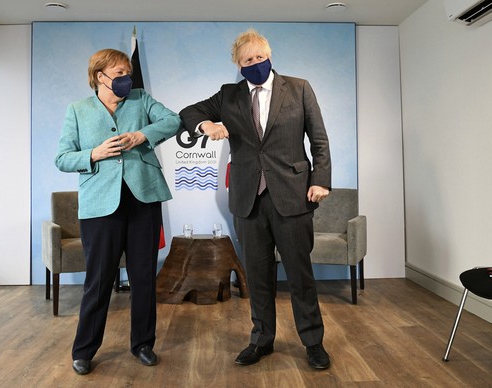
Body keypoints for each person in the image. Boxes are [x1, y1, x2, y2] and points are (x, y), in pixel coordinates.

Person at [179, 29, 332, 370]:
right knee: (257, 276)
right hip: (248, 201)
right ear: (238, 64)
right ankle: (261, 339)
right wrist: (206, 125)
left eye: (259, 57)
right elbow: (188, 113)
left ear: (269, 56)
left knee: (300, 276)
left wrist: (320, 180)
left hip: (293, 197)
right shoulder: (229, 95)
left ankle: (313, 342)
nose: (255, 63)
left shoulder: (299, 88)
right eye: (247, 60)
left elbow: (319, 140)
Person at [55, 48, 182, 375]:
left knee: (143, 278)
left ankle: (143, 344)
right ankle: (84, 350)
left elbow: (174, 120)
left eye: (128, 73)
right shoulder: (77, 110)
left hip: (144, 198)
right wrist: (93, 154)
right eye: (120, 74)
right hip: (99, 205)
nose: (127, 79)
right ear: (100, 76)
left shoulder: (141, 99)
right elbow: (62, 158)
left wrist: (144, 134)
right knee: (98, 281)